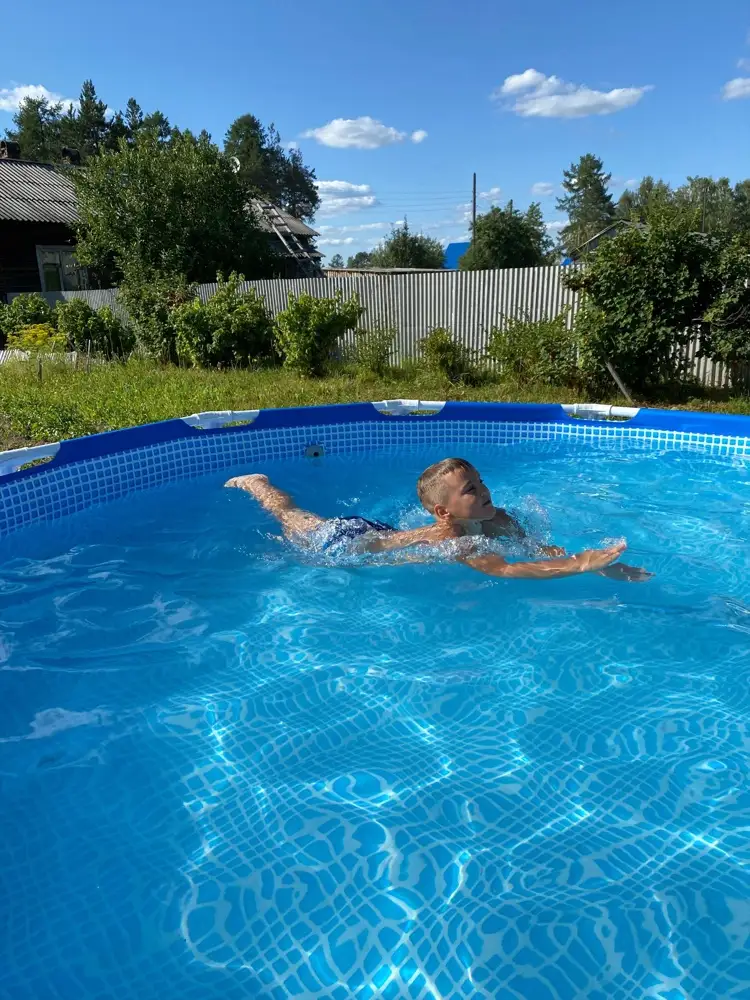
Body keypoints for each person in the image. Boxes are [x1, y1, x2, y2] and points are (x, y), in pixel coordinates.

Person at [225, 457, 651, 581]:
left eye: (482, 483)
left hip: (384, 533)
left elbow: (539, 552)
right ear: (444, 513)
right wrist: (578, 566)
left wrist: (600, 566)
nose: (485, 493)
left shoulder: (498, 519)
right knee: (289, 515)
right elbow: (506, 569)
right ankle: (256, 483)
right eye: (472, 490)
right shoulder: (457, 541)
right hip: (345, 541)